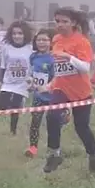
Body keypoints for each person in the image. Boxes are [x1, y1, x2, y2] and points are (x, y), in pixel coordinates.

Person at [43, 8, 95, 174]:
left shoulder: (82, 41)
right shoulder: (56, 39)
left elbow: (85, 68)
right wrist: (50, 84)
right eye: (57, 21)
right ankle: (54, 154)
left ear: (74, 23)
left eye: (64, 21)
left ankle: (94, 154)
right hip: (61, 88)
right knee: (52, 116)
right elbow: (58, 67)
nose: (60, 25)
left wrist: (69, 57)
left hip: (81, 91)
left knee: (81, 127)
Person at [0, 20, 34, 136]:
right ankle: (17, 102)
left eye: (20, 33)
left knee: (15, 106)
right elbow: (3, 66)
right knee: (1, 106)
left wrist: (32, 80)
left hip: (22, 83)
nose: (17, 36)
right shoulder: (6, 48)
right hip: (8, 82)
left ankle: (13, 130)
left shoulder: (30, 49)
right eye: (14, 33)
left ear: (25, 34)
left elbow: (33, 66)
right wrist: (0, 81)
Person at [26, 29, 56, 158]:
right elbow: (31, 73)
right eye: (39, 40)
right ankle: (33, 147)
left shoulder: (54, 58)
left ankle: (53, 149)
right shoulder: (33, 56)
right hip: (38, 96)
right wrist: (30, 82)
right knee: (35, 122)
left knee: (53, 123)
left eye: (45, 40)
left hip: (53, 97)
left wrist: (48, 86)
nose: (41, 43)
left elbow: (59, 77)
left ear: (51, 42)